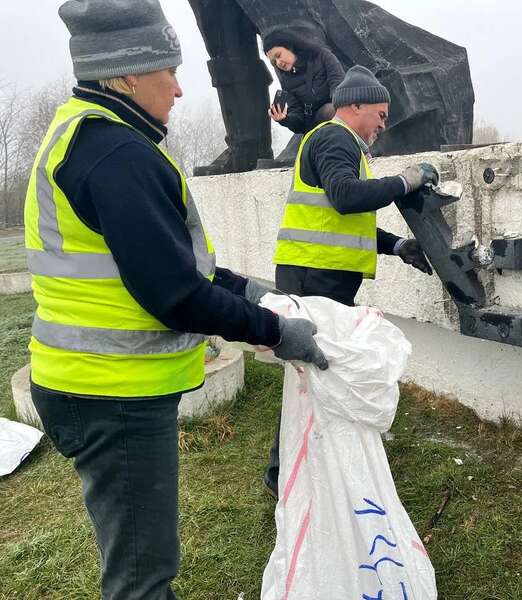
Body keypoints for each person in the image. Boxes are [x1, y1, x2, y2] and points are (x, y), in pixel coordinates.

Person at [26, 2, 327, 598]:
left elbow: (164, 262)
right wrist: (273, 331)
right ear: (130, 74)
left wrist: (247, 289)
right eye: (170, 70)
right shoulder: (118, 153)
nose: (181, 87)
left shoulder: (90, 134)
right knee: (143, 573)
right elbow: (174, 294)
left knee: (137, 557)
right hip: (112, 391)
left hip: (88, 381)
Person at [264, 64, 439, 495]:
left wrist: (398, 247)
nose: (383, 123)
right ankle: (280, 473)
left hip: (322, 275)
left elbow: (348, 224)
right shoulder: (331, 137)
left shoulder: (346, 147)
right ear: (354, 106)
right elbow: (346, 198)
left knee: (318, 371)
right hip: (312, 277)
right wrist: (407, 179)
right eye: (379, 113)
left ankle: (306, 463)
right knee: (308, 372)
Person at [263, 28, 345, 136]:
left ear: (289, 46)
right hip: (314, 126)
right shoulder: (286, 81)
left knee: (332, 110)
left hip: (338, 112)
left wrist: (337, 105)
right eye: (274, 62)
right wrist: (284, 119)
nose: (278, 63)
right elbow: (299, 122)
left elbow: (338, 84)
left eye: (278, 55)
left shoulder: (322, 55)